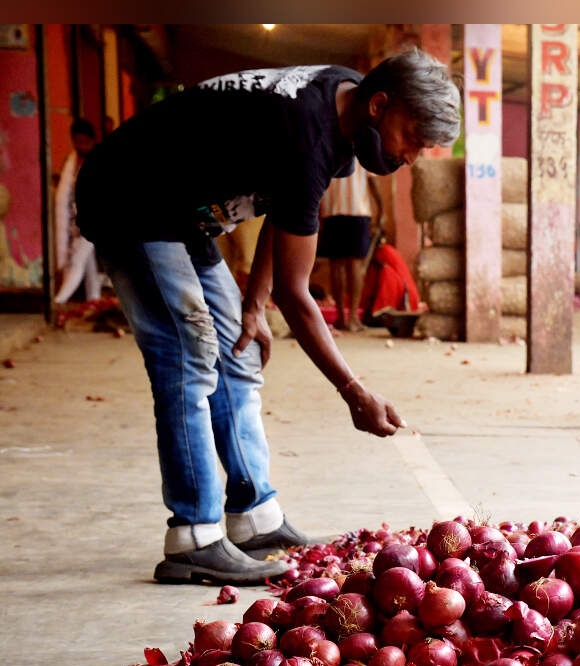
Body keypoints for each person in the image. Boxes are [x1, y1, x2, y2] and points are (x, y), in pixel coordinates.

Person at [75, 48, 461, 585]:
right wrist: (354, 391)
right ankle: (193, 537)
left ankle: (254, 518)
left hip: (185, 212)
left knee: (237, 348)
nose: (412, 155)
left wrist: (253, 307)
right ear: (379, 106)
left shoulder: (342, 97)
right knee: (189, 354)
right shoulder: (309, 131)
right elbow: (299, 295)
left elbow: (287, 214)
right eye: (413, 138)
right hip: (132, 199)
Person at [318, 162, 381, 331]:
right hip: (357, 211)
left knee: (336, 265)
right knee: (355, 264)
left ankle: (341, 317)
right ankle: (352, 317)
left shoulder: (325, 146)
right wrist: (382, 212)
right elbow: (373, 181)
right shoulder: (363, 149)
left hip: (331, 211)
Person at [52, 119, 101, 305]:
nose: (80, 146)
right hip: (76, 220)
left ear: (92, 140)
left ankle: (58, 301)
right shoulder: (71, 161)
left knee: (76, 262)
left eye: (84, 142)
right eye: (77, 141)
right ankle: (94, 299)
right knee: (87, 264)